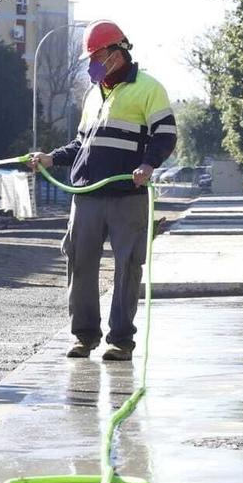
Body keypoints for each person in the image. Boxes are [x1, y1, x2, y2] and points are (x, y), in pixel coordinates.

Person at [28, 20, 176, 361]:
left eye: (98, 55)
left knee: (127, 265)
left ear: (118, 51)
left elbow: (165, 135)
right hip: (87, 194)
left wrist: (148, 165)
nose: (93, 62)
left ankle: (120, 341)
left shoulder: (149, 88)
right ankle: (83, 336)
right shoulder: (94, 94)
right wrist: (50, 158)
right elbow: (82, 144)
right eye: (91, 56)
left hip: (128, 194)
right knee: (79, 262)